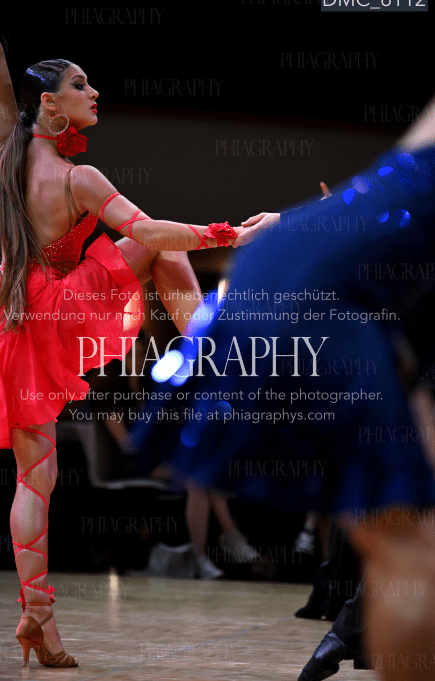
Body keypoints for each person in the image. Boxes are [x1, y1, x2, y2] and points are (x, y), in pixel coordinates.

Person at [0, 0, 267, 668]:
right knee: (161, 249)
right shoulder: (80, 178)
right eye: (80, 84)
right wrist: (227, 233)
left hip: (9, 320)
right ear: (50, 104)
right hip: (57, 309)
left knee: (34, 478)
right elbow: (152, 233)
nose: (93, 92)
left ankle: (37, 616)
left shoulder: (9, 151)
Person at [132, 98, 435, 678]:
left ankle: (345, 633)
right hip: (312, 297)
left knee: (401, 532)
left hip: (285, 266)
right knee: (408, 541)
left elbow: (380, 201)